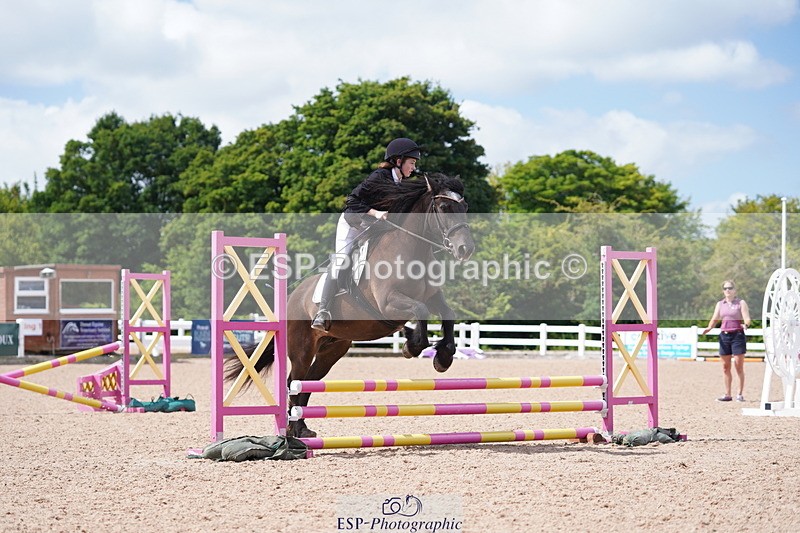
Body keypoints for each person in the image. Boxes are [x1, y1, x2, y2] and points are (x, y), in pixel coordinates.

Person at [311, 137, 422, 331]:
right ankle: (323, 310)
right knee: (342, 260)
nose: (413, 168)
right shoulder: (379, 176)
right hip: (353, 224)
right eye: (411, 163)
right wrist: (375, 212)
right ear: (398, 161)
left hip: (374, 228)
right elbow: (351, 200)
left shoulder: (402, 183)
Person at [701, 280, 751, 402]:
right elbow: (715, 318)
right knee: (725, 367)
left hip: (737, 335)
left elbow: (747, 318)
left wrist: (746, 324)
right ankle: (727, 394)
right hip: (724, 336)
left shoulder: (740, 303)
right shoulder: (720, 304)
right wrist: (709, 327)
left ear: (735, 290)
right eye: (725, 288)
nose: (727, 290)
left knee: (738, 366)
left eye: (730, 288)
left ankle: (740, 393)